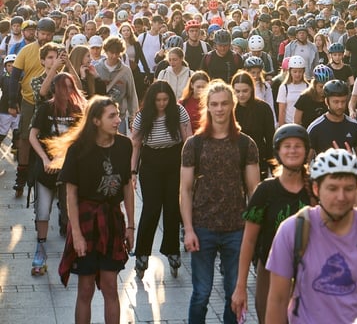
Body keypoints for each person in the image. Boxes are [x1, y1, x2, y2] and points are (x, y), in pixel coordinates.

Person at [263, 148, 357, 323]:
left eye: (349, 188)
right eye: (332, 188)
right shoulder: (292, 230)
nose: (341, 197)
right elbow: (278, 299)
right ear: (316, 188)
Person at [180, 80, 261, 324]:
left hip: (236, 229)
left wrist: (252, 231)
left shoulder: (246, 143)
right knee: (201, 294)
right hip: (202, 227)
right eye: (214, 104)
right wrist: (189, 229)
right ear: (207, 107)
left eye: (224, 103)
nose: (219, 109)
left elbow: (253, 191)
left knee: (233, 295)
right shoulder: (194, 144)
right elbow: (184, 190)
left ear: (232, 105)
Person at [54, 96, 135, 324]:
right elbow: (70, 194)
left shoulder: (124, 145)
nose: (118, 120)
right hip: (86, 220)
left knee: (110, 286)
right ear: (96, 121)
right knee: (86, 288)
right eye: (112, 116)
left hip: (111, 220)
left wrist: (131, 225)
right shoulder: (78, 149)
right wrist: (77, 235)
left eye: (118, 114)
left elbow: (128, 186)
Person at [231, 124, 314, 324]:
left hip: (309, 270)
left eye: (297, 146)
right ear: (278, 151)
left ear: (306, 151)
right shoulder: (265, 191)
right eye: (287, 146)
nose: (292, 150)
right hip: (270, 270)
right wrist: (240, 286)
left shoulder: (315, 188)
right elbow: (249, 241)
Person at [130, 80, 193, 279]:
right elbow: (136, 145)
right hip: (150, 161)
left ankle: (172, 250)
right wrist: (133, 171)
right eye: (158, 100)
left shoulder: (179, 111)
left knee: (173, 207)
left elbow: (187, 140)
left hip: (174, 159)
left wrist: (190, 167)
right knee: (151, 208)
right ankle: (142, 254)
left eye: (165, 99)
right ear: (152, 100)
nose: (162, 104)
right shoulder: (143, 116)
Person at [27, 72, 86, 273]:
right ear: (55, 88)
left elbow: (82, 140)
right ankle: (40, 251)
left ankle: (72, 254)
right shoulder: (45, 108)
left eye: (70, 86)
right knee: (43, 211)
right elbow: (32, 136)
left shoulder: (77, 109)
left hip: (69, 170)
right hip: (46, 169)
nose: (67, 91)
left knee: (71, 214)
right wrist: (44, 158)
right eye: (63, 86)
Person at [9, 16, 56, 197]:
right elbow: (14, 77)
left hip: (51, 102)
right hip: (29, 100)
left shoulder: (57, 51)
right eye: (42, 33)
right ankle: (21, 176)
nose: (44, 37)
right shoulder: (26, 50)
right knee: (25, 138)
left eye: (48, 34)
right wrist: (13, 101)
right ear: (36, 33)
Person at [307, 79, 357, 164]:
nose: (340, 106)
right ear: (326, 101)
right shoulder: (315, 127)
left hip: (348, 173)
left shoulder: (354, 126)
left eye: (343, 101)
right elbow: (307, 160)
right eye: (336, 102)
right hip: (323, 174)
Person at [232, 70, 277, 178]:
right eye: (237, 91)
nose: (241, 95)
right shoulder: (230, 109)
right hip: (234, 160)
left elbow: (270, 138)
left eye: (245, 91)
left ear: (252, 89)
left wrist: (273, 167)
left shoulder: (263, 108)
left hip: (258, 159)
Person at [94, 35, 139, 135]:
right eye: (111, 53)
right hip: (99, 115)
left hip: (119, 115)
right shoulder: (97, 68)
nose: (114, 56)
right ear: (105, 51)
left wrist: (133, 117)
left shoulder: (126, 71)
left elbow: (131, 94)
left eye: (117, 53)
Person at [293, 64, 332, 128]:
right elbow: (297, 122)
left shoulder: (330, 98)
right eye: (321, 87)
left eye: (326, 87)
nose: (323, 90)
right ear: (314, 85)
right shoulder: (304, 98)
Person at [276, 55, 309, 126]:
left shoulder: (307, 86)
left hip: (304, 125)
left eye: (300, 71)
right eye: (295, 71)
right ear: (290, 71)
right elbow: (281, 111)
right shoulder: (284, 87)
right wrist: (281, 128)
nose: (297, 74)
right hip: (288, 125)